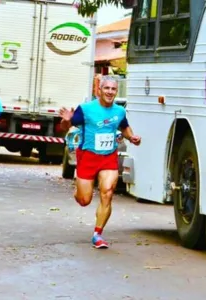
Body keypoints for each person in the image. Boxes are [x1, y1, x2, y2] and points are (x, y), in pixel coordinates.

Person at [59, 75, 141, 249]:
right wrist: (66, 121)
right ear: (99, 90)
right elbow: (66, 128)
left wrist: (131, 137)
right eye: (107, 88)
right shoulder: (85, 109)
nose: (110, 92)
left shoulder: (119, 111)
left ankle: (98, 234)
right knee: (84, 200)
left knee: (108, 192)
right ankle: (79, 191)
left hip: (108, 156)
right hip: (88, 157)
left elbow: (124, 127)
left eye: (113, 89)